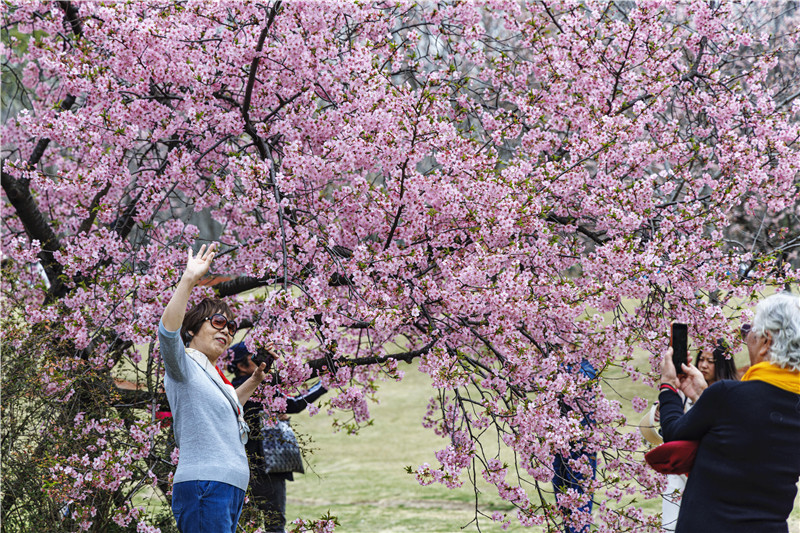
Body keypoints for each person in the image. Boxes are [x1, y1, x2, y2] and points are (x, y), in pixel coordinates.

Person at [658, 292, 800, 533]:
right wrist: (703, 397)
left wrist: (668, 386)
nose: (747, 341)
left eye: (749, 333)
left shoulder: (727, 395)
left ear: (766, 342)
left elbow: (673, 433)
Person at [158, 242, 271, 532]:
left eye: (231, 327)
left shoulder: (212, 375)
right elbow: (168, 332)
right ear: (193, 328)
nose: (226, 330)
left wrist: (256, 378)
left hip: (228, 486)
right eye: (218, 322)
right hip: (203, 485)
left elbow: (230, 403)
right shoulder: (183, 364)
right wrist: (189, 279)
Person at [229, 341, 327, 533]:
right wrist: (326, 383)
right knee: (274, 523)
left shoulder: (231, 388)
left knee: (244, 524)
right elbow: (296, 403)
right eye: (255, 358)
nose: (262, 361)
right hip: (266, 465)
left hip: (238, 466)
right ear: (241, 365)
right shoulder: (260, 388)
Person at [657, 340, 738, 532]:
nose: (703, 365)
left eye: (711, 361)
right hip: (680, 472)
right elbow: (671, 429)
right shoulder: (687, 387)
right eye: (701, 359)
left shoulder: (733, 393)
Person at [552, 359, 598, 533]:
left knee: (579, 501)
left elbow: (584, 381)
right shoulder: (551, 359)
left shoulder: (586, 365)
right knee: (562, 500)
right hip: (558, 442)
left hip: (582, 445)